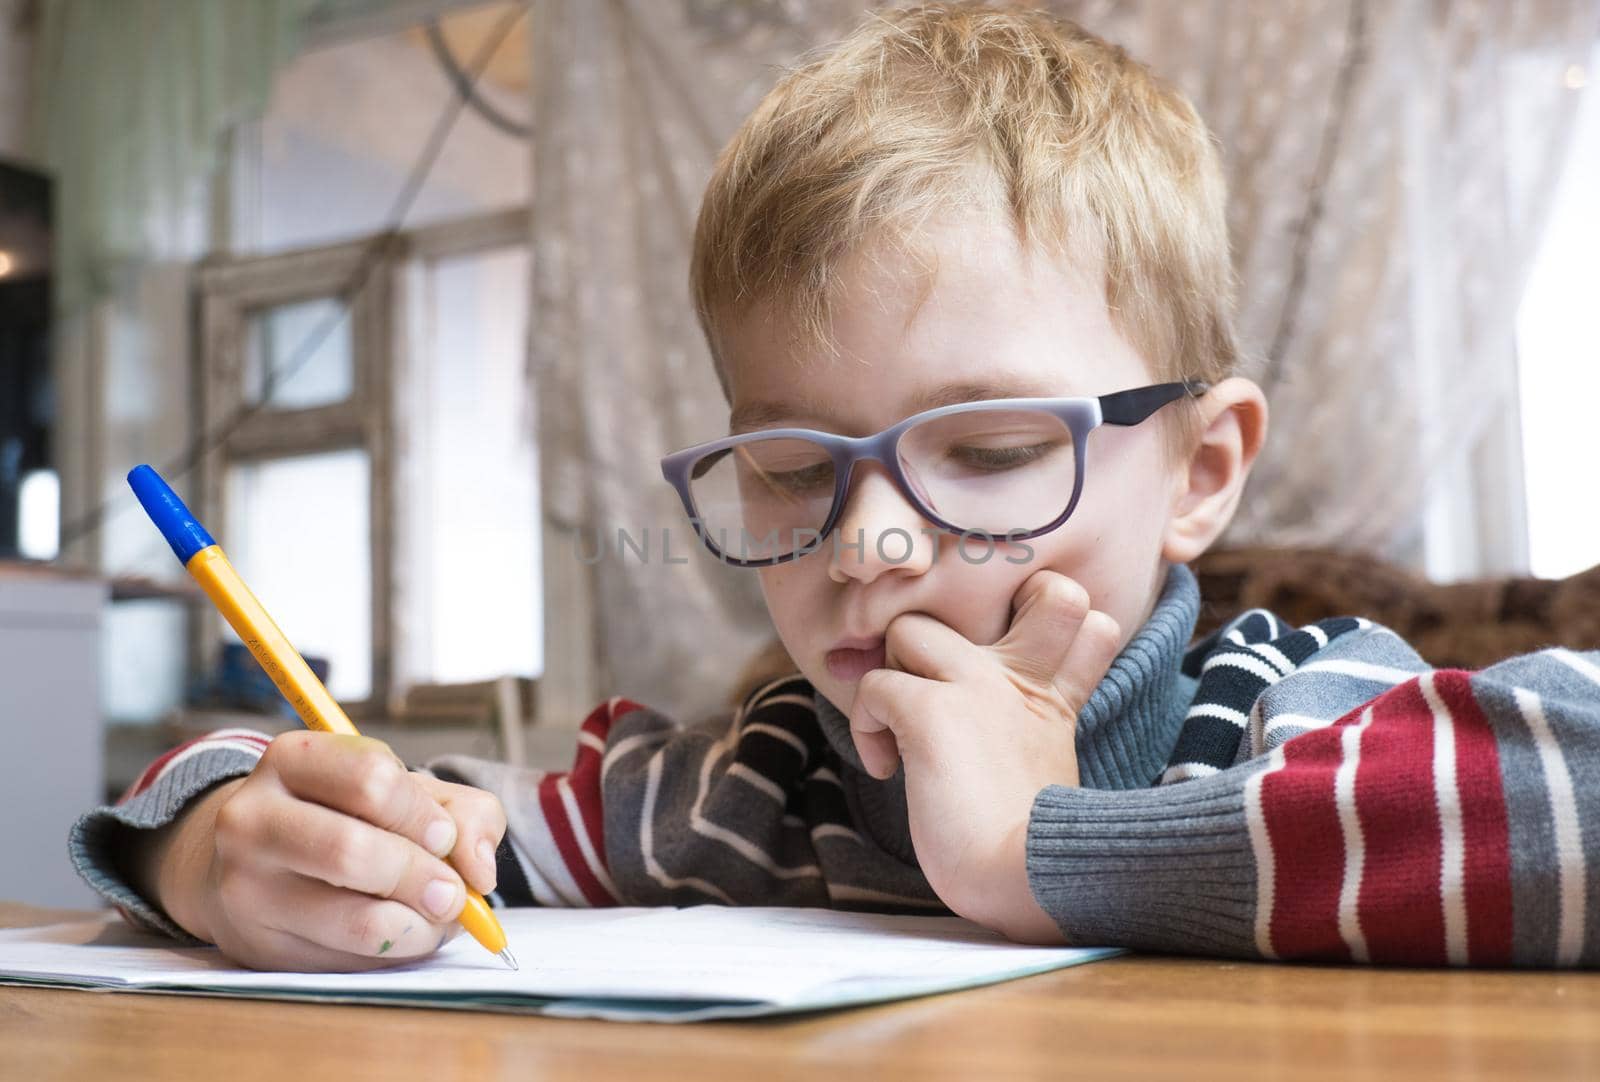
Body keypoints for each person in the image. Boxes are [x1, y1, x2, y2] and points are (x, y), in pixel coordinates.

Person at [72, 2, 1599, 972]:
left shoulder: (1292, 705)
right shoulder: (753, 786)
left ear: (1201, 469)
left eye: (992, 451)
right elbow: (409, 819)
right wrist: (212, 845)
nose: (866, 541)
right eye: (794, 467)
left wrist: (1038, 849)